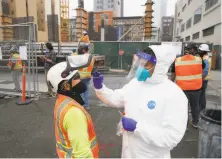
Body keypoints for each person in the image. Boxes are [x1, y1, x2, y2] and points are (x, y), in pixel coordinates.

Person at [92, 44, 188, 158]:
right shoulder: (135, 84)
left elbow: (171, 137)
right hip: (129, 153)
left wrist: (138, 127)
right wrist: (99, 87)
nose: (140, 68)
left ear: (159, 67)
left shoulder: (173, 94)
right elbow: (115, 99)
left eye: (145, 65)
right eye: (140, 63)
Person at [47, 54, 99, 158]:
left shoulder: (62, 101)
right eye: (76, 78)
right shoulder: (73, 113)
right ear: (66, 85)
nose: (80, 81)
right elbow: (83, 155)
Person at [171, 43, 205, 128]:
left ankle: (183, 124)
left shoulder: (177, 60)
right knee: (195, 106)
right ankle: (195, 122)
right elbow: (203, 69)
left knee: (183, 107)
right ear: (193, 50)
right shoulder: (199, 60)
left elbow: (172, 75)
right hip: (195, 88)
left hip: (182, 88)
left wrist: (171, 85)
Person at [78, 44, 95, 110]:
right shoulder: (91, 57)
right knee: (86, 91)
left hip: (81, 76)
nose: (80, 50)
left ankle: (80, 105)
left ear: (84, 50)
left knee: (80, 91)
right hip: (88, 76)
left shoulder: (81, 57)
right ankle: (86, 105)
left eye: (81, 49)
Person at [198, 44, 211, 112]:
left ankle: (202, 109)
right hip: (203, 78)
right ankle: (201, 108)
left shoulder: (205, 58)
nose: (199, 51)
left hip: (203, 79)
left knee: (201, 94)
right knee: (201, 94)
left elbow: (205, 71)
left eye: (200, 50)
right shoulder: (203, 57)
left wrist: (201, 79)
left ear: (204, 51)